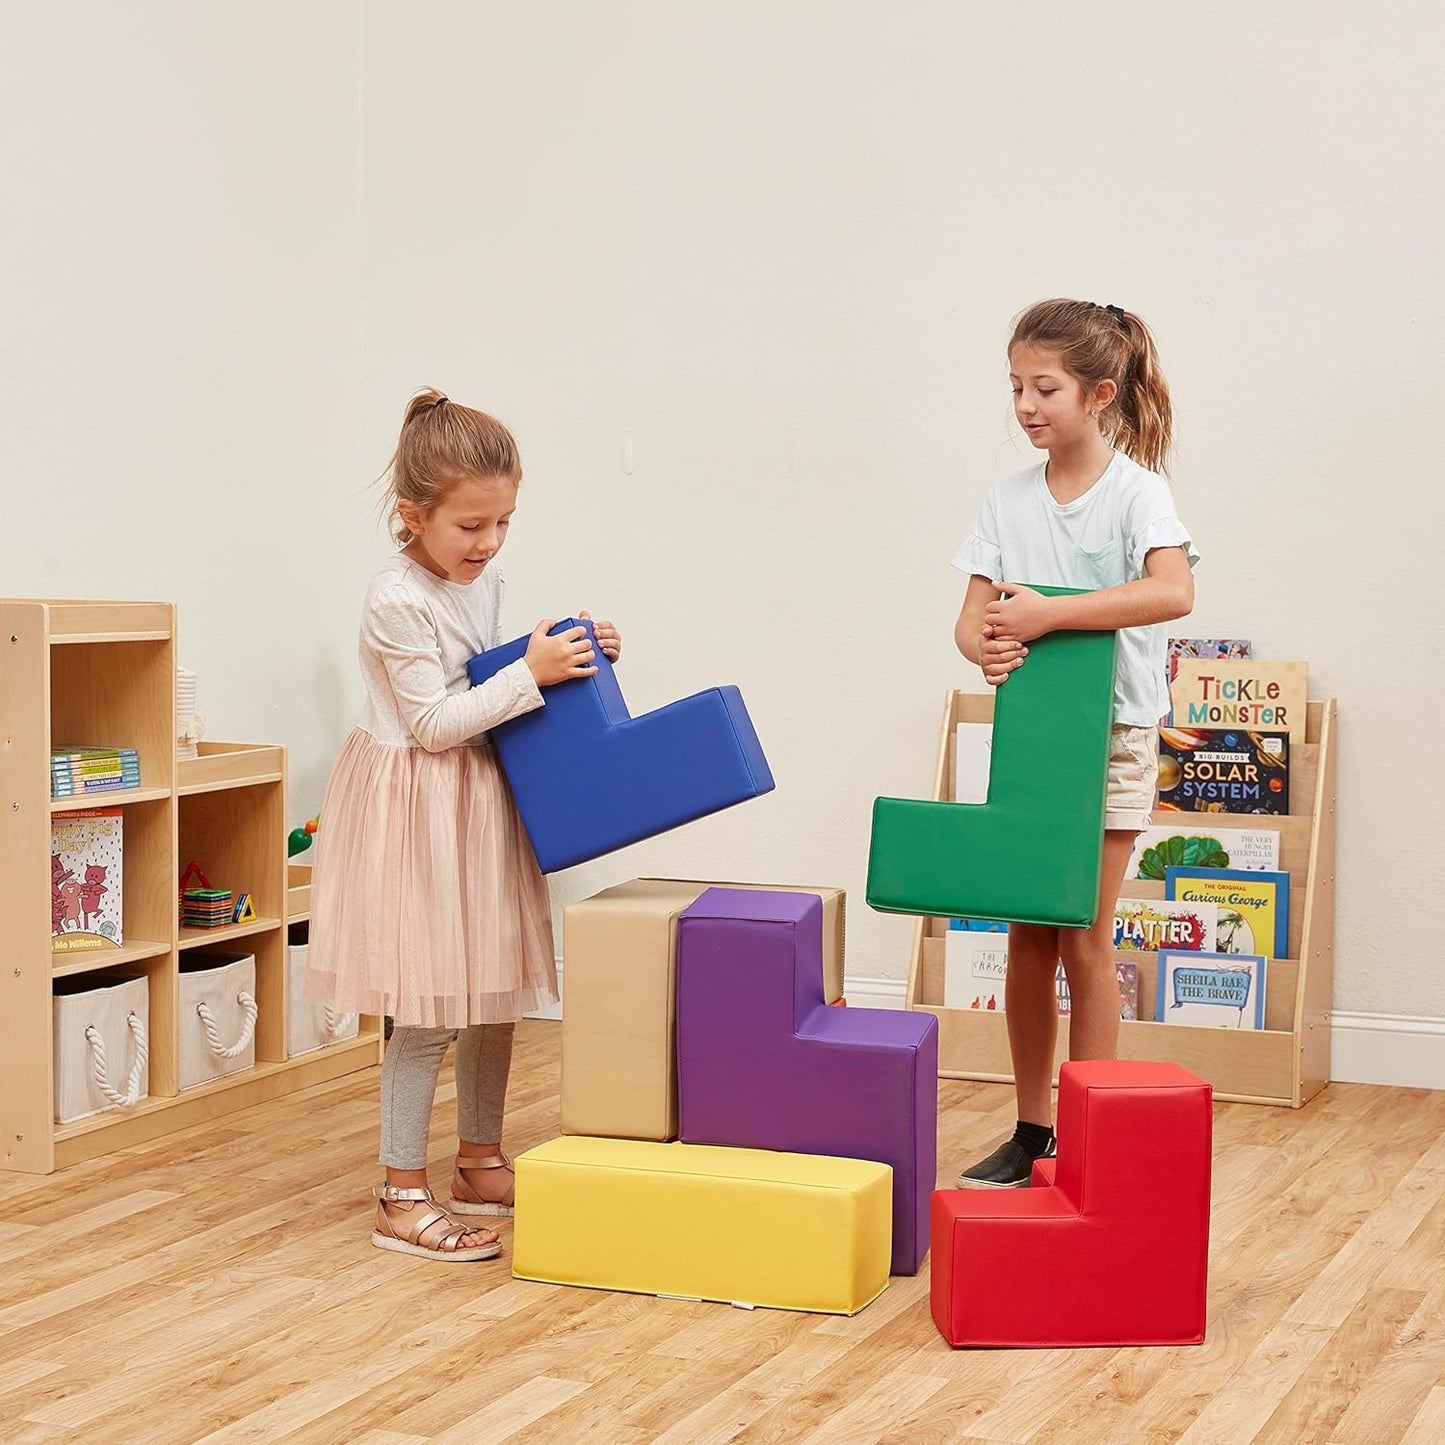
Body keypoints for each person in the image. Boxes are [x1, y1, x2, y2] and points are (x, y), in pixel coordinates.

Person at [307, 389, 622, 1258]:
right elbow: (434, 723)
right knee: (428, 1004)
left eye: (503, 523)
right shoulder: (393, 598)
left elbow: (480, 677)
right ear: (413, 515)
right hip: (418, 806)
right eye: (470, 526)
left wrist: (572, 653)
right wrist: (531, 671)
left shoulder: (483, 583)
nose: (488, 543)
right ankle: (399, 1192)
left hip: (479, 801)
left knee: (491, 994)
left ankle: (479, 1161)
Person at [951, 299, 1196, 1188]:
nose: (1024, 404)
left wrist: (1051, 615)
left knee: (1083, 937)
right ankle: (1032, 1129)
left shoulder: (1136, 492)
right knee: (1026, 935)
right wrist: (985, 646)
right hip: (1032, 740)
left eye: (1044, 387)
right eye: (1015, 386)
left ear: (1098, 393)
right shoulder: (1007, 498)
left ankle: (1090, 1130)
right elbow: (971, 620)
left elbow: (1171, 592)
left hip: (1113, 737)